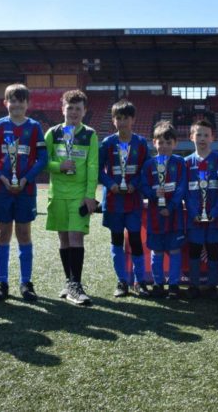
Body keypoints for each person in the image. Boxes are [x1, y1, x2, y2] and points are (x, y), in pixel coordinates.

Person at [0, 84, 47, 302]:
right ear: (5, 103)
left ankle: (26, 282)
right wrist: (1, 177)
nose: (17, 104)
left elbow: (42, 159)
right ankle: (2, 282)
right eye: (13, 100)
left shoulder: (35, 127)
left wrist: (26, 178)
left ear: (27, 104)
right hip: (2, 189)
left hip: (25, 190)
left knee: (24, 234)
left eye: (21, 100)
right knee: (2, 234)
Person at [45, 90, 99, 306]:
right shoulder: (52, 133)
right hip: (57, 195)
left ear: (84, 111)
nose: (74, 112)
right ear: (63, 109)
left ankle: (76, 284)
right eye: (70, 108)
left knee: (76, 237)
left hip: (79, 196)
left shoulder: (90, 134)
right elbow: (43, 161)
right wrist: (59, 166)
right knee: (64, 239)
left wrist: (90, 196)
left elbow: (93, 165)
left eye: (78, 108)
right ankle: (69, 283)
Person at [98, 100, 151, 298]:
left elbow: (146, 170)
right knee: (117, 240)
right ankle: (121, 281)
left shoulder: (141, 143)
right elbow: (99, 170)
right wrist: (110, 183)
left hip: (133, 200)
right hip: (113, 201)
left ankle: (140, 281)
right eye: (118, 118)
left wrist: (134, 184)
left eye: (126, 118)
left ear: (133, 120)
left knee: (136, 240)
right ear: (113, 121)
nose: (122, 122)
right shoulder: (107, 143)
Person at [139, 120, 187, 299]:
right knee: (156, 251)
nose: (165, 146)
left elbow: (182, 187)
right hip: (155, 215)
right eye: (161, 142)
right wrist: (153, 193)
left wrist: (172, 205)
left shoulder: (180, 163)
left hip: (174, 216)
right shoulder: (149, 165)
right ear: (154, 142)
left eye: (169, 142)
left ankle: (174, 285)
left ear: (175, 143)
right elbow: (143, 186)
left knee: (175, 251)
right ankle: (158, 283)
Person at [184, 119, 218, 300]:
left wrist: (215, 212)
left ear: (213, 138)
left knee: (213, 252)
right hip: (194, 219)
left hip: (214, 219)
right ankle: (193, 285)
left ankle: (212, 285)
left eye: (206, 135)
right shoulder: (185, 163)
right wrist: (193, 213)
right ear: (191, 137)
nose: (202, 138)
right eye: (198, 134)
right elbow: (184, 190)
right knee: (193, 251)